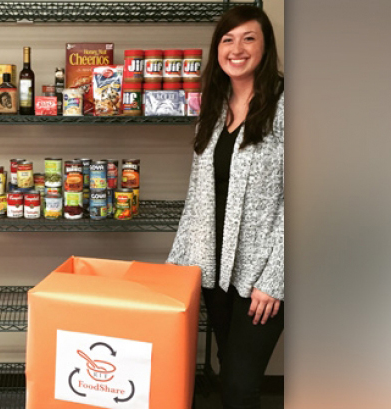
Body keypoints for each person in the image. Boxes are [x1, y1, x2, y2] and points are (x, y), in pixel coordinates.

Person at [166, 5, 284, 409]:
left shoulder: (288, 105)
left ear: (265, 48)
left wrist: (276, 277)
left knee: (240, 383)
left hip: (262, 275)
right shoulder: (213, 108)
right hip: (215, 270)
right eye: (227, 39)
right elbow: (198, 196)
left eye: (249, 38)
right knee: (225, 368)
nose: (237, 48)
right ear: (217, 49)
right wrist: (179, 268)